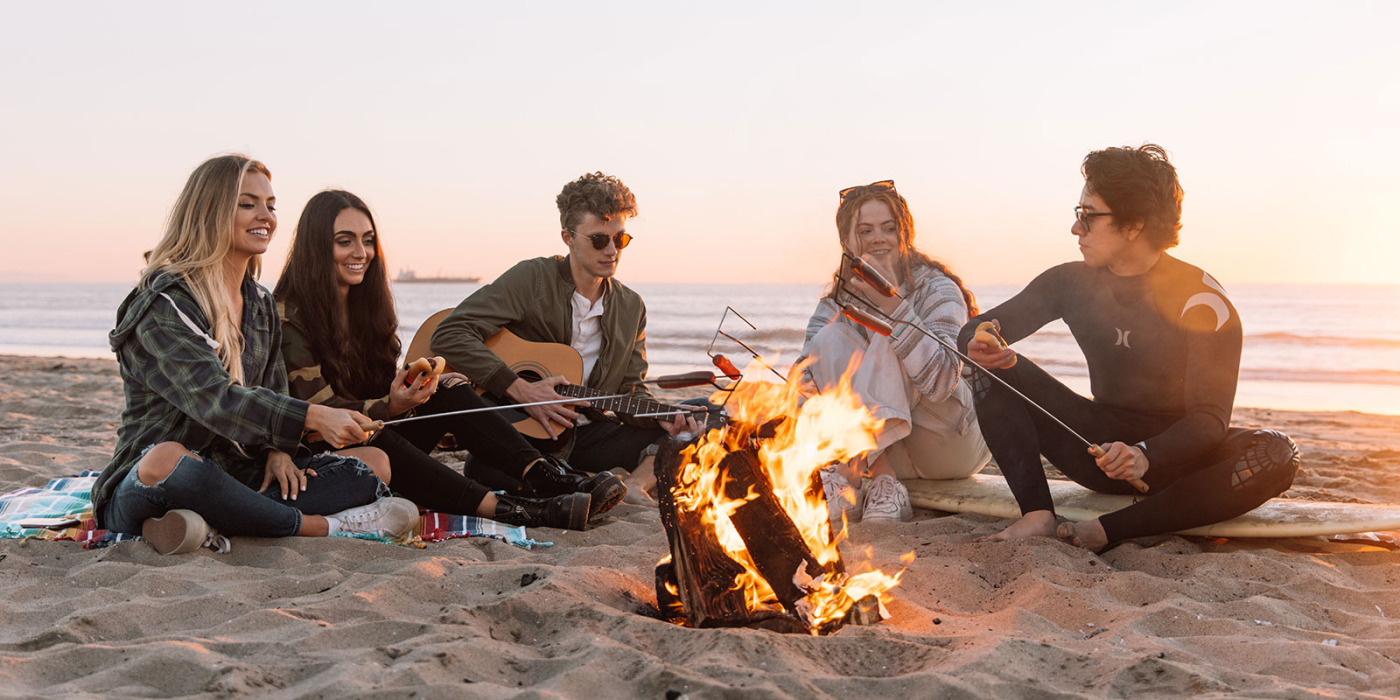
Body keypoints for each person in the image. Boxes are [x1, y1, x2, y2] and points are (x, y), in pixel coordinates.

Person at [959, 144, 1300, 552]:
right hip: (1094, 448)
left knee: (1278, 453)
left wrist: (1145, 454)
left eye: (1088, 216)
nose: (1075, 229)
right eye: (1077, 214)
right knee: (992, 369)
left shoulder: (1203, 303)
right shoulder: (1069, 282)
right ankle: (1037, 515)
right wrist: (985, 344)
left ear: (1134, 224)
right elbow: (974, 330)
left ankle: (1108, 531)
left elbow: (1210, 420)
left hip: (1176, 460)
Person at [91, 155, 420, 555]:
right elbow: (216, 400)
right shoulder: (163, 303)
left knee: (374, 463)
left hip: (240, 474)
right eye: (247, 204)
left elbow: (274, 387)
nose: (265, 215)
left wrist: (278, 451)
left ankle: (207, 523)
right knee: (168, 460)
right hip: (153, 480)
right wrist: (313, 416)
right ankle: (318, 527)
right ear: (210, 212)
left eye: (270, 204)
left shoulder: (260, 302)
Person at [274, 189, 624, 530]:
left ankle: (545, 476)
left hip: (379, 436)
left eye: (367, 240)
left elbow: (380, 392)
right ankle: (509, 508)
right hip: (328, 455)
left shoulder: (366, 310)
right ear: (317, 246)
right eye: (344, 240)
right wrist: (390, 407)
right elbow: (322, 412)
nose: (361, 252)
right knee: (374, 434)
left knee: (448, 390)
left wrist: (414, 394)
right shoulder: (291, 316)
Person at [430, 172, 697, 502]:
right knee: (484, 473)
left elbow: (631, 390)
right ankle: (580, 479)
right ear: (568, 237)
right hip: (522, 433)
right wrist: (520, 388)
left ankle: (635, 483)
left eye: (621, 240)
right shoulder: (532, 279)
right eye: (599, 240)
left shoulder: (631, 307)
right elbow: (449, 334)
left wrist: (658, 415)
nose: (612, 250)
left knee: (699, 417)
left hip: (590, 435)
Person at [797, 180, 991, 526]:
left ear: (905, 234)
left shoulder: (937, 288)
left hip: (949, 441)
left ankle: (850, 476)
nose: (878, 238)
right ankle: (885, 482)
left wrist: (895, 308)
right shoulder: (834, 303)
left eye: (889, 228)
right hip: (889, 449)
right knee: (828, 340)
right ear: (847, 240)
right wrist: (810, 388)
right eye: (865, 230)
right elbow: (804, 379)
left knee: (887, 334)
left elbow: (943, 381)